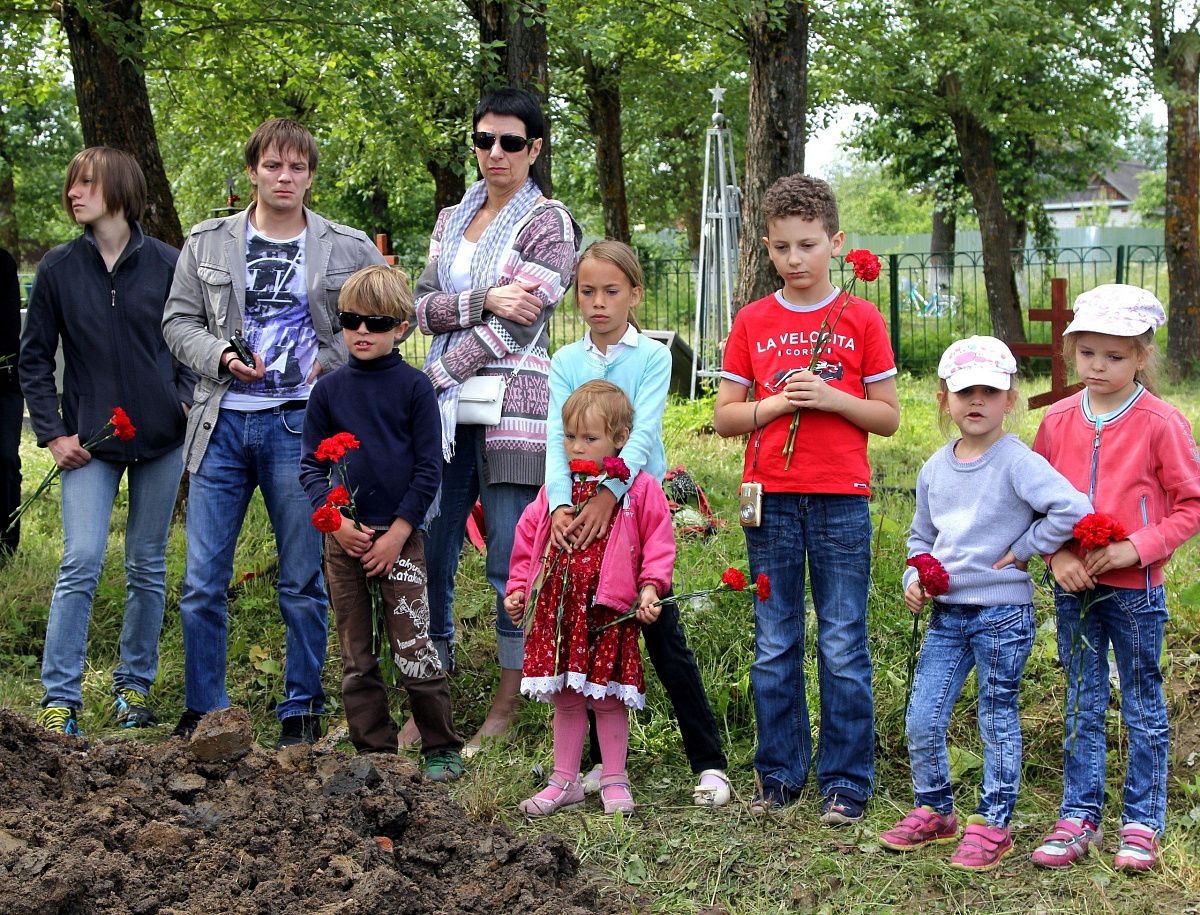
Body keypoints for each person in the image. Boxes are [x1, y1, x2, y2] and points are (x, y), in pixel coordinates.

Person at [162, 118, 387, 748]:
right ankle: (206, 709)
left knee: (301, 579)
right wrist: (220, 357)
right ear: (252, 170)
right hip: (223, 423)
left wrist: (338, 359)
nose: (284, 177)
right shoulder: (207, 242)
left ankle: (302, 708)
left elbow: (389, 311)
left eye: (297, 167)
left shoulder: (346, 247)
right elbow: (176, 323)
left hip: (300, 425)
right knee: (203, 579)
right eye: (272, 166)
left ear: (311, 175)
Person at [713, 174, 900, 820]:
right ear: (767, 246)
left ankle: (846, 778)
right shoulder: (753, 321)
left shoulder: (860, 317)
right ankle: (780, 772)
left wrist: (830, 398)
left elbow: (888, 416)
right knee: (775, 638)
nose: (796, 259)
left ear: (837, 243)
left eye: (809, 245)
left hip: (841, 500)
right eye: (784, 247)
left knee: (844, 639)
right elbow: (726, 416)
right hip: (771, 500)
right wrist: (776, 404)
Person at [879, 336, 1090, 871]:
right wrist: (915, 574)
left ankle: (994, 822)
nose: (977, 402)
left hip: (1001, 614)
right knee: (923, 715)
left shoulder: (1015, 461)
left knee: (996, 715)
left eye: (990, 392)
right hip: (948, 614)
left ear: (1010, 399)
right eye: (965, 391)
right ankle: (936, 808)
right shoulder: (934, 468)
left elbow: (1071, 508)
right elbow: (920, 538)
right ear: (943, 397)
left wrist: (1023, 550)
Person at [414, 87, 581, 753]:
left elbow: (524, 322)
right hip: (445, 414)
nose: (496, 153)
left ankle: (509, 697)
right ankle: (432, 686)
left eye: (512, 142)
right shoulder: (452, 217)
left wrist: (441, 369)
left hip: (513, 409)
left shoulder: (549, 222)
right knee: (431, 544)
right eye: (485, 139)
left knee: (510, 553)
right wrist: (482, 295)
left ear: (535, 149)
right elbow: (419, 305)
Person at [546, 240, 730, 806]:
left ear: (635, 295)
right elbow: (557, 439)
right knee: (591, 633)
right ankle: (593, 764)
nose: (598, 303)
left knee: (660, 634)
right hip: (577, 515)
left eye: (611, 291)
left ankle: (709, 762)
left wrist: (608, 493)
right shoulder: (565, 362)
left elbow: (644, 433)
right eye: (587, 291)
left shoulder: (651, 357)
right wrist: (560, 504)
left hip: (633, 510)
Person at [20, 147, 194, 734]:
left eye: (86, 182)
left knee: (147, 564)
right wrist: (53, 434)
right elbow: (34, 361)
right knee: (82, 559)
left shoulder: (171, 264)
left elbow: (193, 339)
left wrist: (186, 400)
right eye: (71, 183)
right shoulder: (58, 269)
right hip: (87, 443)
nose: (73, 192)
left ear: (118, 188)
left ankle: (132, 691)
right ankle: (61, 698)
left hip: (162, 440)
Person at [1029, 285, 1200, 872]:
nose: (1099, 368)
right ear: (1072, 351)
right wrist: (1057, 558)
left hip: (1136, 593)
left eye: (1116, 357)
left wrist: (1136, 547)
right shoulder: (1054, 422)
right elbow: (1032, 504)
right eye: (1088, 354)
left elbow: (1190, 505)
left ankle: (1143, 820)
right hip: (1075, 586)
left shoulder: (1161, 423)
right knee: (1081, 697)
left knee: (1143, 700)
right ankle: (1079, 815)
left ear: (1142, 357)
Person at [299, 265, 464, 779]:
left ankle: (440, 745)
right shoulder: (328, 393)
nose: (362, 332)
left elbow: (428, 467)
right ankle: (374, 752)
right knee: (355, 649)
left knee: (414, 643)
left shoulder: (415, 388)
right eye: (351, 321)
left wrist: (398, 533)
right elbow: (310, 466)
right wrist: (335, 523)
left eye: (376, 322)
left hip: (400, 538)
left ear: (401, 326)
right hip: (343, 537)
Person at [505, 381, 675, 816]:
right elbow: (528, 539)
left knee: (607, 696)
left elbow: (658, 541)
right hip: (559, 613)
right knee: (565, 695)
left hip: (605, 611)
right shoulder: (556, 493)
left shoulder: (638, 490)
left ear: (620, 440)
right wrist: (520, 589)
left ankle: (615, 778)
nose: (576, 447)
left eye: (590, 438)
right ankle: (564, 780)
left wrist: (651, 588)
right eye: (569, 436)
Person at [0, 245, 21, 557]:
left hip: (3, 380)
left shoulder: (2, 263)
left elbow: (9, 329)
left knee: (4, 458)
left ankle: (6, 544)